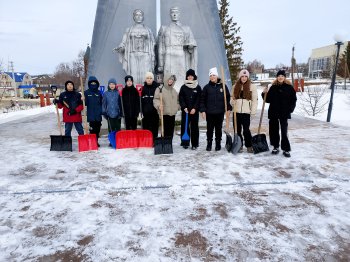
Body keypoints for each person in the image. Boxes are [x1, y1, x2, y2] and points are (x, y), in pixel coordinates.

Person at [157, 6, 197, 91]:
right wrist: (160, 64)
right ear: (170, 14)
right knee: (168, 76)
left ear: (179, 14)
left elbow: (192, 42)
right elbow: (161, 47)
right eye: (172, 12)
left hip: (180, 54)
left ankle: (180, 93)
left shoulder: (186, 29)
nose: (174, 14)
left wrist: (190, 45)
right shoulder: (164, 29)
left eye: (176, 12)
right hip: (169, 54)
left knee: (181, 76)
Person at [114, 9, 155, 84]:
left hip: (145, 54)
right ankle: (134, 91)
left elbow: (153, 43)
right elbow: (123, 42)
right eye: (137, 15)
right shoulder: (129, 30)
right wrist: (120, 48)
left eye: (140, 15)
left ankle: (144, 91)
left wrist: (147, 38)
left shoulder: (148, 30)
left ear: (143, 17)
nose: (138, 17)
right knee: (133, 75)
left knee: (145, 75)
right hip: (132, 54)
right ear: (134, 17)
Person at [262, 70, 297, 157]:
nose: (280, 77)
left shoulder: (289, 87)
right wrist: (264, 93)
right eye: (279, 76)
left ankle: (286, 149)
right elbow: (268, 100)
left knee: (284, 131)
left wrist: (290, 109)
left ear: (284, 77)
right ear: (277, 77)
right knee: (274, 130)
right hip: (274, 112)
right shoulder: (273, 87)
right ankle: (275, 146)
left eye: (282, 76)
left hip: (284, 112)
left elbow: (293, 100)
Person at [200, 67, 232, 151]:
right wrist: (203, 110)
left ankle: (218, 144)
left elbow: (227, 98)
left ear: (217, 76)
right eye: (211, 75)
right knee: (210, 129)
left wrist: (228, 108)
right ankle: (209, 143)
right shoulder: (206, 88)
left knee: (218, 129)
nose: (212, 77)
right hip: (209, 113)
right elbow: (202, 100)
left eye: (214, 75)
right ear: (209, 77)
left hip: (220, 112)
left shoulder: (223, 86)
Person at [230, 69, 258, 153]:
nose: (244, 78)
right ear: (240, 77)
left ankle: (249, 145)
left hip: (246, 112)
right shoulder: (235, 86)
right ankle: (239, 145)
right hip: (236, 111)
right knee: (237, 129)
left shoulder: (252, 86)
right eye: (242, 76)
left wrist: (253, 112)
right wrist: (232, 101)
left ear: (248, 77)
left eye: (246, 76)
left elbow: (254, 100)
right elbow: (231, 97)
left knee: (246, 130)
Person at [179, 69, 201, 150]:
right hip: (186, 111)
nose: (190, 77)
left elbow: (199, 99)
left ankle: (195, 143)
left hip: (194, 112)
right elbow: (181, 98)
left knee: (194, 127)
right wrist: (184, 107)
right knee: (185, 127)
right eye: (189, 76)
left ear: (194, 76)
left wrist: (195, 108)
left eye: (191, 76)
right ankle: (185, 142)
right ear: (187, 77)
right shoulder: (183, 87)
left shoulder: (198, 87)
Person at [153, 74, 179, 139]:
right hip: (164, 114)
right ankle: (164, 144)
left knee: (170, 131)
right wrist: (159, 105)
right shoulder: (160, 89)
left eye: (172, 80)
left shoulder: (174, 91)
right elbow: (156, 99)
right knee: (164, 131)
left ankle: (169, 144)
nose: (170, 81)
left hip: (172, 114)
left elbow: (178, 101)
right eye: (169, 79)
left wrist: (177, 107)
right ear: (166, 79)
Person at [85, 76, 103, 146]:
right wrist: (83, 99)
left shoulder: (99, 93)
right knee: (92, 129)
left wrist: (101, 111)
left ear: (97, 83)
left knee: (98, 129)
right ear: (89, 83)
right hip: (91, 114)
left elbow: (102, 102)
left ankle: (96, 141)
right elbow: (85, 103)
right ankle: (93, 142)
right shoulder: (86, 93)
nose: (93, 84)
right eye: (91, 83)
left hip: (98, 114)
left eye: (94, 82)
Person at [141, 72, 159, 140]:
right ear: (145, 79)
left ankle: (154, 140)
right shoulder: (142, 89)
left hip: (154, 112)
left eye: (150, 78)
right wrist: (141, 111)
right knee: (146, 127)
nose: (149, 79)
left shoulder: (157, 88)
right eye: (147, 78)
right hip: (145, 113)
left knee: (154, 127)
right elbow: (141, 101)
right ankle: (147, 140)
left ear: (153, 79)